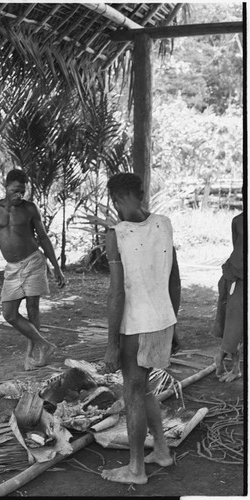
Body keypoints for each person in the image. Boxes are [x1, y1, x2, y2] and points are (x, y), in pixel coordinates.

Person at [101, 172, 181, 485]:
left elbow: (116, 293)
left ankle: (136, 469)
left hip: (136, 326)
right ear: (142, 193)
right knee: (144, 388)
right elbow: (174, 280)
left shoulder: (116, 233)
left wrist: (111, 343)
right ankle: (160, 449)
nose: (118, 207)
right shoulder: (164, 223)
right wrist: (173, 324)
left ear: (117, 200)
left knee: (132, 392)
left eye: (117, 201)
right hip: (162, 321)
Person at [0, 169, 65, 371]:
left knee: (32, 309)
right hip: (11, 268)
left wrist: (56, 268)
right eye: (16, 190)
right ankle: (44, 344)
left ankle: (32, 355)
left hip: (33, 262)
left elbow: (44, 238)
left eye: (23, 191)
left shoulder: (30, 209)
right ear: (6, 186)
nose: (20, 194)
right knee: (9, 314)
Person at [211, 211, 243, 382]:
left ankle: (225, 359)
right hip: (235, 277)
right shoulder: (237, 220)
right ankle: (231, 364)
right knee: (231, 321)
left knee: (236, 323)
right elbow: (237, 247)